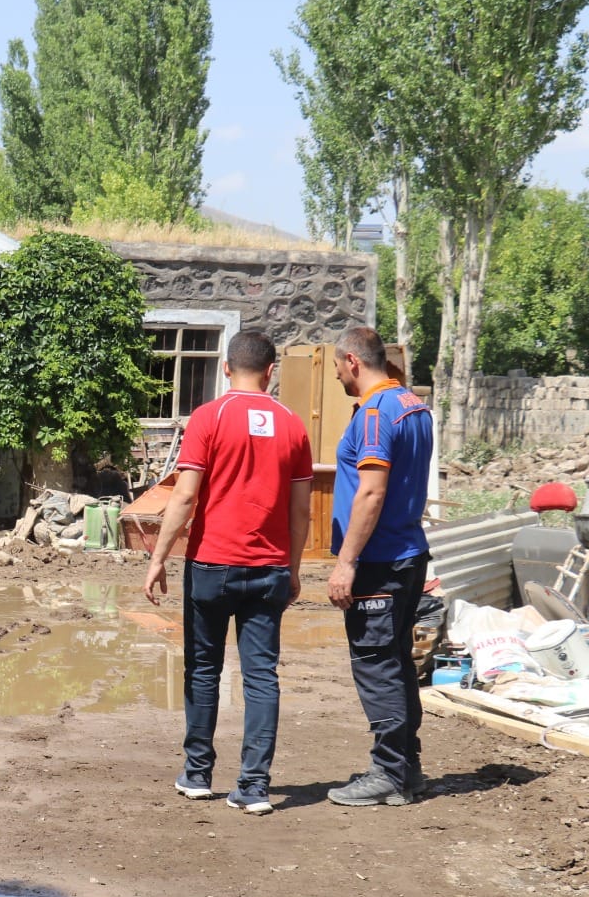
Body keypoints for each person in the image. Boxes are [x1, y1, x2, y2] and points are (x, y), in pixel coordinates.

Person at [144, 330, 313, 815]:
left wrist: (159, 558)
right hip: (270, 569)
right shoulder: (292, 425)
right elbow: (301, 512)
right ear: (271, 371)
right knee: (262, 676)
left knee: (203, 669)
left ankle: (197, 775)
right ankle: (255, 788)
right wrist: (294, 568)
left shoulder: (208, 417)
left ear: (225, 368)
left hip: (212, 566)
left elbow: (184, 495)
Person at [325, 326, 434, 807]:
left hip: (379, 561)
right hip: (409, 553)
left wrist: (346, 562)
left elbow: (371, 491)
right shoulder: (414, 406)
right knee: (396, 664)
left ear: (352, 360)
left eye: (335, 366)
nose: (336, 376)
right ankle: (406, 768)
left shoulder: (374, 413)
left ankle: (388, 772)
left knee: (376, 665)